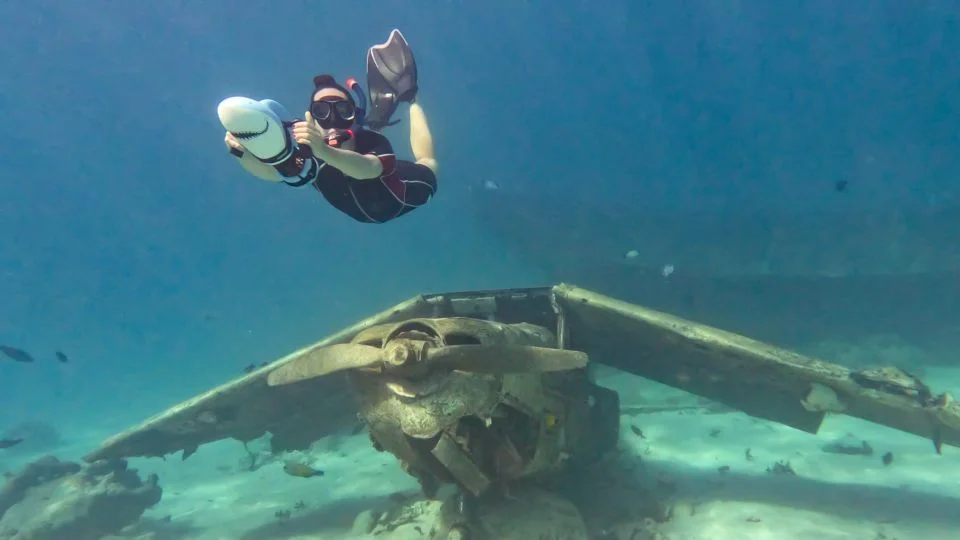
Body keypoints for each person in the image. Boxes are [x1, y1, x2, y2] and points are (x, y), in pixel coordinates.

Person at [221, 30, 438, 224]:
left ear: (353, 115)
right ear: (312, 119)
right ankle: (380, 114)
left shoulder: (373, 142)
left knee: (428, 163)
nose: (333, 119)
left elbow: (368, 169)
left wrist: (323, 151)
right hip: (361, 201)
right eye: (322, 111)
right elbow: (273, 173)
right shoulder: (306, 152)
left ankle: (411, 99)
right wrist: (241, 153)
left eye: (343, 110)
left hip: (401, 197)